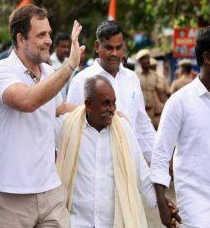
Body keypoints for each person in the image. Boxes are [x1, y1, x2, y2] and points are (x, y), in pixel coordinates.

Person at [0, 4, 84, 228]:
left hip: (51, 191)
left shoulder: (49, 72)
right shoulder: (2, 70)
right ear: (20, 39)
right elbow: (28, 101)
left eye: (49, 33)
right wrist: (70, 65)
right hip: (12, 197)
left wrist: (99, 111)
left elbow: (59, 108)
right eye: (41, 35)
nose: (49, 40)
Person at [150, 25, 210, 228]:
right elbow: (160, 156)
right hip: (195, 213)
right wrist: (161, 203)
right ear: (208, 57)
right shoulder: (179, 102)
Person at [56, 75, 168, 228]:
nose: (112, 109)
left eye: (114, 103)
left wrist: (163, 205)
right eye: (106, 104)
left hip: (113, 223)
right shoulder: (66, 126)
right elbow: (45, 112)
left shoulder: (123, 129)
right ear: (88, 104)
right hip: (76, 223)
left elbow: (142, 174)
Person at [67, 20, 156, 163]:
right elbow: (70, 125)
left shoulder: (132, 78)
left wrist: (158, 162)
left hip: (129, 161)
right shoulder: (81, 80)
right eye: (109, 48)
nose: (114, 53)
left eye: (118, 47)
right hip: (95, 164)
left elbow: (142, 124)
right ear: (97, 46)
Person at [135, 49, 160, 128]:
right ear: (140, 62)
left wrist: (159, 108)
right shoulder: (135, 76)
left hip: (153, 112)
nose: (147, 61)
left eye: (148, 59)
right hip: (140, 111)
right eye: (144, 59)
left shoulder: (155, 75)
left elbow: (157, 92)